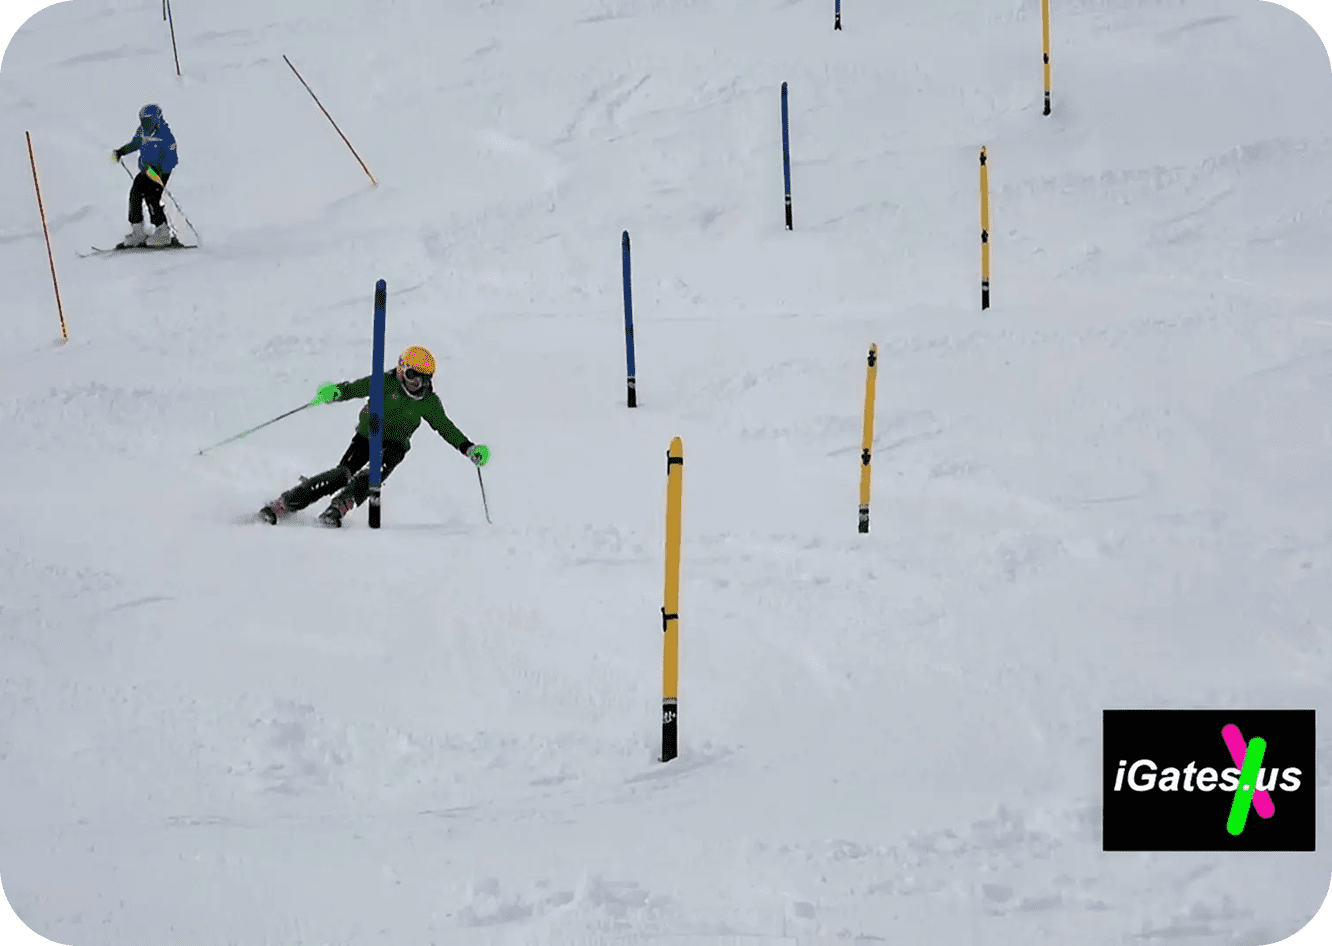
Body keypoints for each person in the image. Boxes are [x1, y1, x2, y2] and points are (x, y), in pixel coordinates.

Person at [260, 345, 491, 528]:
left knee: (373, 474)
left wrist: (468, 448)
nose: (417, 383)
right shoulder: (384, 382)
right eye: (412, 375)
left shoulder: (428, 402)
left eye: (424, 378)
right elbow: (354, 388)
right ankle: (287, 503)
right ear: (401, 370)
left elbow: (445, 427)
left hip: (395, 445)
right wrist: (336, 392)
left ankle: (341, 505)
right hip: (367, 436)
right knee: (341, 475)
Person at [111, 104, 179, 248]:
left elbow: (172, 158)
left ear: (157, 120)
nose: (146, 124)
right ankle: (138, 231)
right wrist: (121, 152)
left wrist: (161, 173)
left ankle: (162, 232)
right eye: (143, 120)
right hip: (146, 170)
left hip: (160, 172)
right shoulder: (142, 131)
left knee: (152, 197)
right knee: (135, 194)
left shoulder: (165, 135)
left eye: (149, 121)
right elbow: (135, 144)